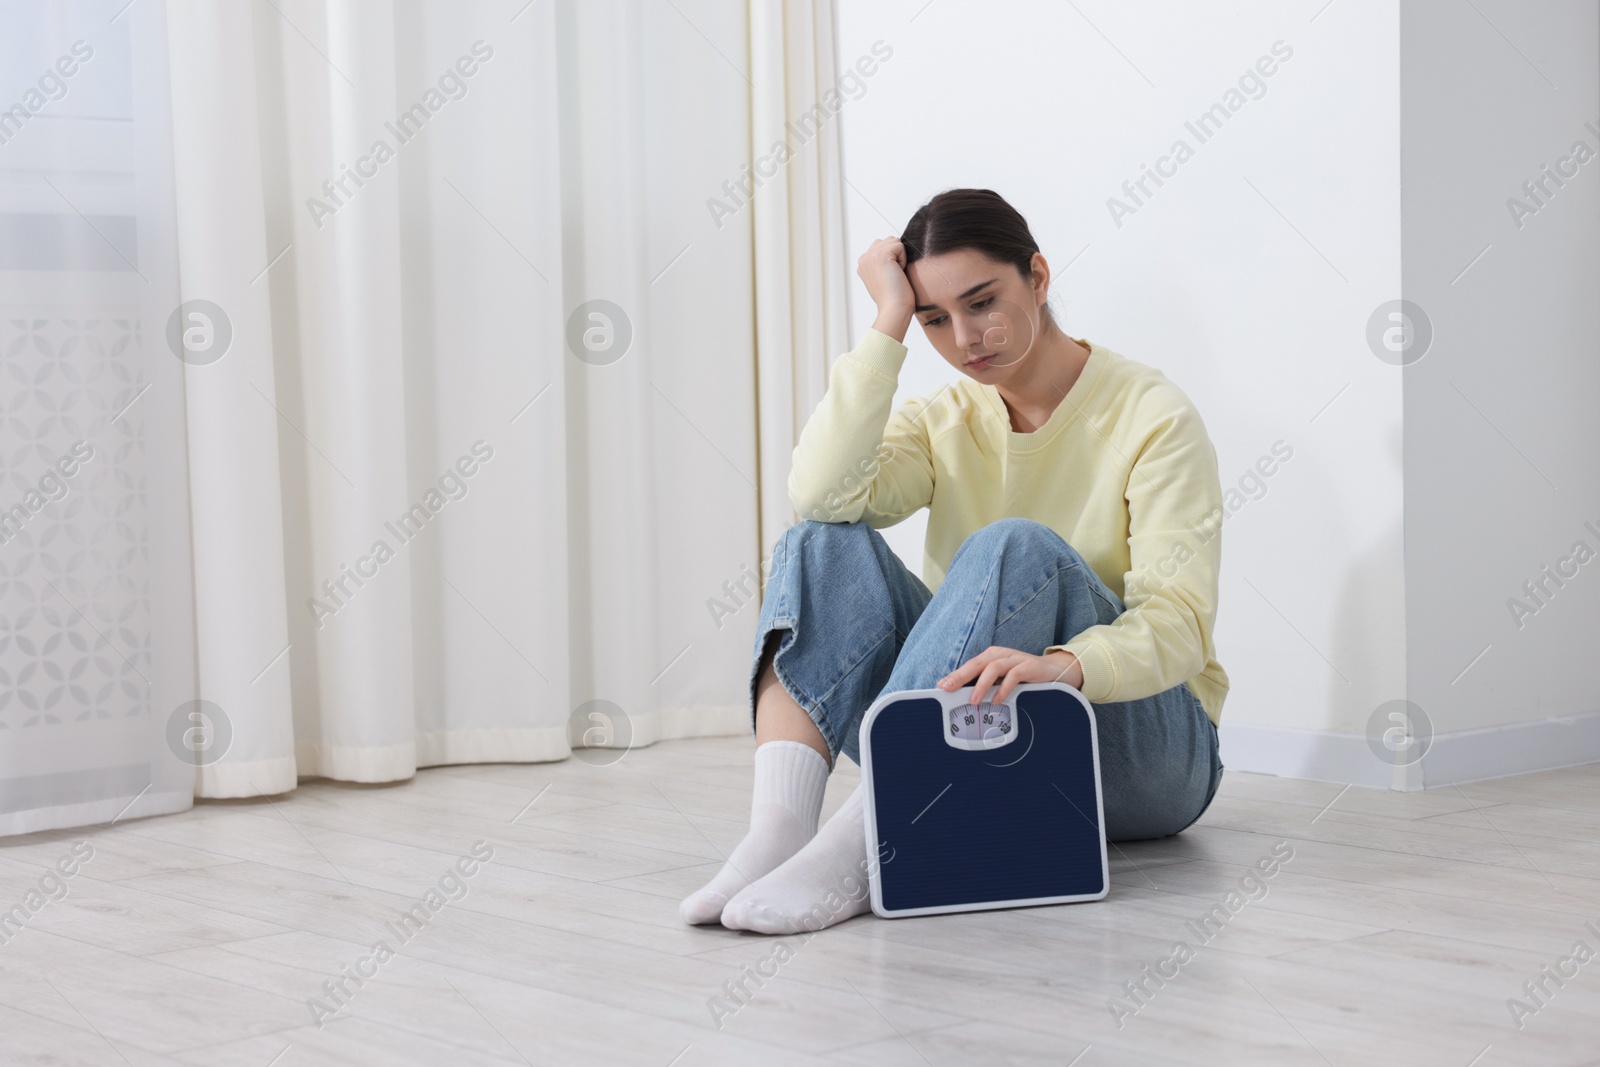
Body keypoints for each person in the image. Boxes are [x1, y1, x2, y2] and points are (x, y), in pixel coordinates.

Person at [680, 188, 1228, 934]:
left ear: (1037, 277)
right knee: (820, 538)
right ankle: (779, 831)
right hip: (982, 732)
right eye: (936, 318)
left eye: (982, 301)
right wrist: (887, 324)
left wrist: (1066, 663)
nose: (966, 338)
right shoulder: (946, 419)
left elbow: (1182, 624)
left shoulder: (1152, 415)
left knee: (1015, 543)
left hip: (1147, 754)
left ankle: (866, 845)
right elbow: (820, 493)